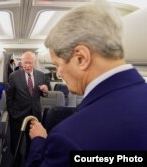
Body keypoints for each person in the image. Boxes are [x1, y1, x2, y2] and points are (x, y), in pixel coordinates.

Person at [26, 0, 147, 167]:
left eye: (57, 65)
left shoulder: (69, 138)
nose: (59, 73)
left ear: (81, 58)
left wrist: (39, 141)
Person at [6, 51, 49, 167]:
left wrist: (45, 91)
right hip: (18, 115)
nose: (27, 66)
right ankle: (17, 162)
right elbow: (9, 96)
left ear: (34, 62)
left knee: (33, 141)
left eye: (30, 63)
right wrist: (12, 112)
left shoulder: (41, 75)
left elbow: (43, 93)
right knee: (16, 143)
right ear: (21, 62)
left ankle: (31, 161)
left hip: (35, 114)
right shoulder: (14, 76)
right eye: (25, 63)